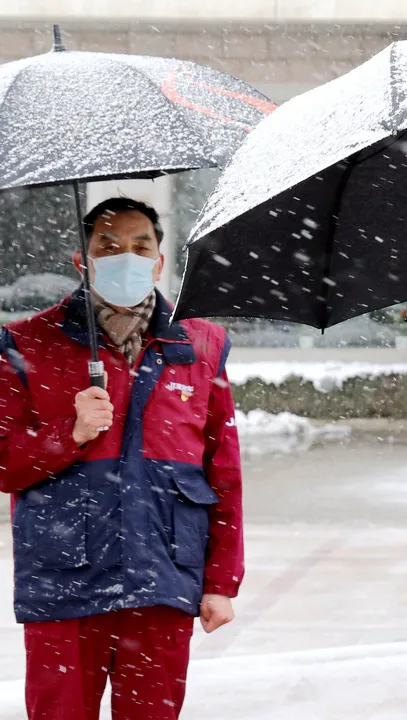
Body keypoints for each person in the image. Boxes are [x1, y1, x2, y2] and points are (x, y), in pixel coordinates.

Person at [0, 198, 244, 720]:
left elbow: (223, 472)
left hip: (162, 578)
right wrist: (70, 434)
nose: (125, 257)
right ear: (81, 260)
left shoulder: (201, 343)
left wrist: (221, 582)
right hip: (63, 579)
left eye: (140, 246)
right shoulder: (25, 343)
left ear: (159, 261)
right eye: (107, 246)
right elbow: (5, 464)